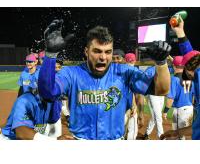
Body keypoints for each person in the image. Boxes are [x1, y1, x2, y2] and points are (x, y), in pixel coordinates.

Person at [38, 19, 171, 140]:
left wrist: (161, 62)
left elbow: (161, 90)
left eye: (108, 52)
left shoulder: (124, 72)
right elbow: (48, 93)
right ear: (86, 51)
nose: (103, 57)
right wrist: (50, 55)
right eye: (97, 51)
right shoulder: (71, 73)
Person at [160, 17, 200, 140]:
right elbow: (190, 56)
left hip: (180, 110)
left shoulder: (193, 75)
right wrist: (179, 32)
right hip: (189, 108)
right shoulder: (195, 77)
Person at [0, 85, 73, 140]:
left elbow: (59, 117)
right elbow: (21, 132)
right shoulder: (25, 100)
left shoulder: (53, 101)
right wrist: (55, 141)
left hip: (33, 136)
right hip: (10, 139)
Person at [163, 56, 194, 140]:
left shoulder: (174, 79)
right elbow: (194, 95)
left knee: (177, 135)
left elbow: (170, 99)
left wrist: (165, 111)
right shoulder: (190, 77)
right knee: (186, 134)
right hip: (190, 109)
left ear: (174, 66)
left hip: (180, 111)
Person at [143, 65, 165, 140]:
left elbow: (177, 66)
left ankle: (147, 133)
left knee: (154, 117)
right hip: (153, 95)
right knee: (158, 116)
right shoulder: (151, 69)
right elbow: (143, 80)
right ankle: (161, 137)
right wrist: (143, 94)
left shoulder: (165, 68)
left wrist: (169, 58)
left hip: (162, 95)